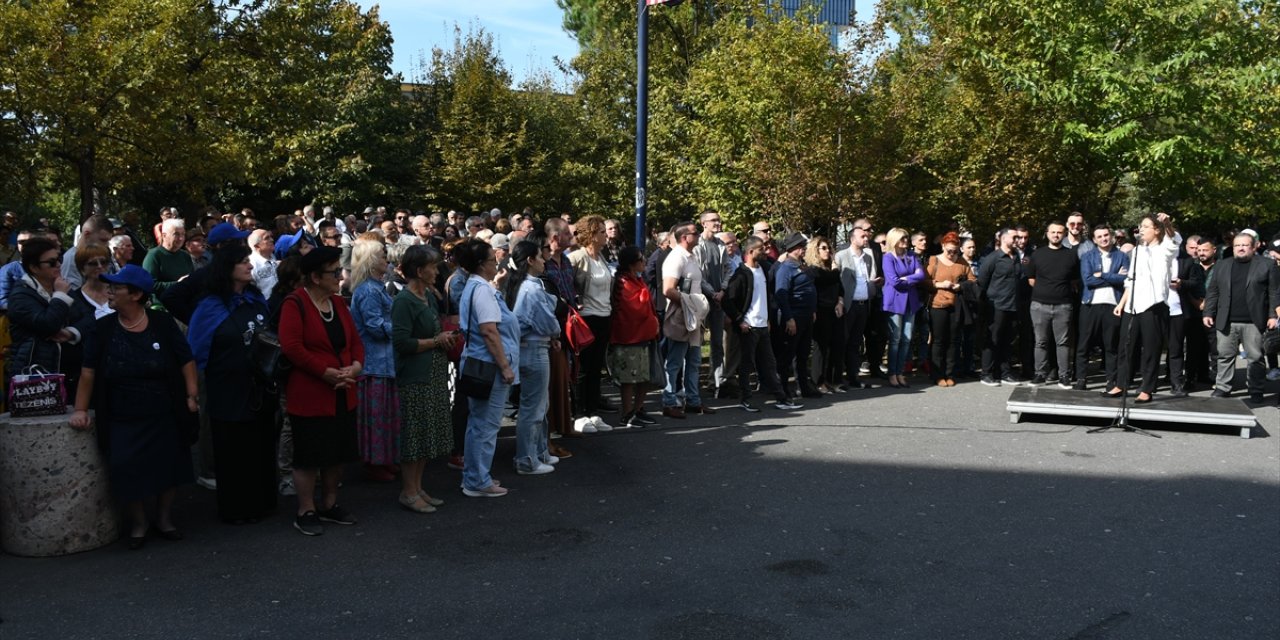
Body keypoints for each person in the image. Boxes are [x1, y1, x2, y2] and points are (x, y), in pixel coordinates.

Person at [69, 265, 198, 550]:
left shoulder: (162, 323)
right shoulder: (101, 328)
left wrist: (191, 394)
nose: (110, 291)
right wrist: (80, 409)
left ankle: (164, 519)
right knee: (126, 467)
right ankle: (139, 523)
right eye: (110, 287)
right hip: (121, 414)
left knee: (169, 466)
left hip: (164, 409)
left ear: (137, 294)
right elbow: (88, 372)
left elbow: (185, 359)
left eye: (116, 287)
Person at [186, 243, 277, 525]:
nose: (250, 266)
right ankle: (237, 507)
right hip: (226, 390)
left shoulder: (255, 299)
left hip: (258, 388)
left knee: (261, 444)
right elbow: (195, 352)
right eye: (242, 262)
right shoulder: (209, 308)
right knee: (233, 448)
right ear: (227, 268)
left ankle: (264, 502)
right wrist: (192, 394)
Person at [279, 246, 364, 535]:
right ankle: (306, 509)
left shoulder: (338, 303)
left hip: (344, 390)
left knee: (337, 452)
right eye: (334, 272)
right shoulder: (295, 303)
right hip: (311, 392)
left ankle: (329, 504)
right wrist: (324, 372)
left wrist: (354, 367)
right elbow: (292, 347)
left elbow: (355, 341)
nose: (340, 277)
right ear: (315, 277)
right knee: (309, 454)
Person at [391, 245, 457, 513]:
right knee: (414, 436)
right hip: (415, 377)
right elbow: (401, 342)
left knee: (427, 434)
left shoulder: (428, 296)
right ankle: (408, 492)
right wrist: (435, 341)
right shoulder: (403, 301)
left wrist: (445, 339)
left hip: (433, 373)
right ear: (419, 270)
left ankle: (417, 488)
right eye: (432, 266)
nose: (436, 271)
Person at [456, 239, 519, 497]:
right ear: (482, 265)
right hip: (488, 367)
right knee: (485, 425)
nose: (497, 264)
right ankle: (477, 480)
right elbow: (489, 331)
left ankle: (476, 475)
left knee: (479, 424)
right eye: (493, 260)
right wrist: (504, 366)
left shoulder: (478, 287)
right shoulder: (481, 290)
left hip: (480, 364)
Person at [6, 236, 93, 402]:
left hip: (69, 375)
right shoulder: (20, 296)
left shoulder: (60, 286)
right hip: (34, 379)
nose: (59, 265)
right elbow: (48, 324)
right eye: (52, 262)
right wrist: (60, 296)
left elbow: (89, 318)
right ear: (34, 267)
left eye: (59, 259)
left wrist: (71, 333)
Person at [1104, 214, 1181, 403]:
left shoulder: (1164, 249)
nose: (1142, 229)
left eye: (1146, 226)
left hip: (1153, 306)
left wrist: (1167, 224)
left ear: (1156, 230)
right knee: (1126, 347)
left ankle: (1147, 388)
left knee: (1151, 349)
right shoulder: (1138, 250)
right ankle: (1121, 383)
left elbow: (1174, 241)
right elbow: (1131, 279)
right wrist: (1121, 304)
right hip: (1133, 306)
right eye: (1141, 226)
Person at [723, 236, 802, 412]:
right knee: (746, 364)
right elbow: (727, 300)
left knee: (769, 363)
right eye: (761, 249)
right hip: (748, 327)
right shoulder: (741, 274)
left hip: (762, 326)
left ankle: (781, 398)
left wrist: (767, 319)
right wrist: (739, 320)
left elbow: (765, 297)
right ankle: (745, 399)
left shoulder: (762, 271)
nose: (766, 251)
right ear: (750, 252)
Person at [505, 241, 562, 471]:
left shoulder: (521, 285)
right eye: (540, 256)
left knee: (539, 404)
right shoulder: (532, 288)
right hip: (534, 349)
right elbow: (549, 322)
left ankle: (539, 452)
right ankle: (527, 459)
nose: (544, 260)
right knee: (533, 407)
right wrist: (556, 331)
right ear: (529, 260)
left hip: (531, 347)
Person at [348, 235, 401, 484]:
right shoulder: (369, 290)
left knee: (386, 415)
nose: (386, 258)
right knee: (376, 418)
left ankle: (385, 458)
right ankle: (374, 461)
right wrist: (402, 328)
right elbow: (375, 327)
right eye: (381, 255)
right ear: (370, 260)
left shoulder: (376, 286)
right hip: (374, 363)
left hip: (384, 362)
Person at [1204, 232, 1280, 403]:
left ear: (1254, 247)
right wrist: (1208, 312)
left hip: (1254, 321)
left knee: (1255, 357)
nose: (1241, 248)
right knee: (1224, 355)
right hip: (1226, 320)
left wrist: (1273, 316)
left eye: (1245, 245)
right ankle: (1223, 387)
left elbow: (1274, 292)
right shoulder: (1222, 265)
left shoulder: (1267, 264)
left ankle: (1256, 389)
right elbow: (1213, 291)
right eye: (1238, 245)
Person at [661, 222, 713, 418]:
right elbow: (668, 289)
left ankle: (693, 401)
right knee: (675, 361)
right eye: (695, 232)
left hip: (693, 316)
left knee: (694, 361)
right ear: (684, 237)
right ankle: (668, 402)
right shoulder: (676, 258)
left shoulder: (691, 257)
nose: (699, 235)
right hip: (681, 316)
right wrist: (689, 302)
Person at [568, 215, 616, 419]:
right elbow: (566, 284)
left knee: (597, 367)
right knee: (584, 368)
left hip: (604, 316)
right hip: (586, 318)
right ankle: (580, 413)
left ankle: (593, 410)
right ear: (592, 235)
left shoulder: (602, 257)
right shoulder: (577, 257)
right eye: (603, 232)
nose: (607, 235)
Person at [609, 246, 660, 428]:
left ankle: (638, 409)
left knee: (644, 376)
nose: (644, 262)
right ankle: (627, 413)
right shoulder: (623, 282)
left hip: (644, 335)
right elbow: (633, 308)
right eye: (640, 259)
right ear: (632, 263)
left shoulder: (637, 280)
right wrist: (645, 296)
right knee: (629, 377)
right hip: (628, 337)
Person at [1026, 221, 1081, 387]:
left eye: (1059, 232)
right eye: (1053, 232)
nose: (1056, 235)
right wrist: (1046, 290)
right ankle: (1040, 374)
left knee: (1063, 343)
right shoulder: (1037, 254)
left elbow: (1074, 280)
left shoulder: (1071, 255)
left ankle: (1064, 376)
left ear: (1064, 234)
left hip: (1063, 306)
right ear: (1047, 233)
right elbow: (1031, 279)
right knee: (1040, 341)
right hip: (1039, 305)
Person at [1074, 225, 1129, 391]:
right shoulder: (1087, 256)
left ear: (1110, 236)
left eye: (1106, 235)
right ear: (1094, 239)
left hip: (1113, 305)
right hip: (1091, 305)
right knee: (1084, 343)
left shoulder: (1122, 256)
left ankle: (1111, 381)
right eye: (1099, 236)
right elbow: (1088, 280)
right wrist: (1114, 277)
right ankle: (1081, 379)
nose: (1104, 239)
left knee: (1111, 345)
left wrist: (1103, 275)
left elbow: (1125, 279)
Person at [773, 232, 820, 398]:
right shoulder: (785, 268)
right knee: (787, 354)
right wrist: (789, 318)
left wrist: (812, 310)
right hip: (794, 315)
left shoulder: (801, 266)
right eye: (804, 248)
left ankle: (803, 386)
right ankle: (783, 388)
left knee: (803, 353)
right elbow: (781, 294)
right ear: (797, 249)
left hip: (806, 316)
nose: (805, 251)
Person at [925, 232, 974, 387]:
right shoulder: (934, 260)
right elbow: (924, 281)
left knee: (954, 341)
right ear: (943, 246)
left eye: (955, 251)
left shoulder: (962, 263)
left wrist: (961, 286)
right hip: (937, 305)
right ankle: (937, 374)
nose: (952, 254)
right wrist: (940, 285)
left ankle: (949, 373)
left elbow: (972, 281)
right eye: (949, 251)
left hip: (956, 306)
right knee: (938, 341)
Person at [979, 228, 1025, 387]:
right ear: (1004, 238)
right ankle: (986, 373)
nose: (1018, 239)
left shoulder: (1016, 257)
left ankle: (1004, 373)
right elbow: (982, 281)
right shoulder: (993, 258)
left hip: (1013, 305)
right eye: (1014, 237)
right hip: (996, 305)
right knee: (993, 339)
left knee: (1008, 341)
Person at [881, 227, 925, 388]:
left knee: (907, 339)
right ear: (894, 240)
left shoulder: (911, 256)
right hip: (894, 302)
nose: (905, 241)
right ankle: (892, 373)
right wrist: (911, 278)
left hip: (910, 302)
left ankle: (900, 372)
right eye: (902, 238)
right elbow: (894, 281)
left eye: (906, 237)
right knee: (895, 339)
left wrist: (906, 278)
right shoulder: (888, 258)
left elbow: (921, 275)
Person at [693, 210, 729, 398]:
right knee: (696, 342)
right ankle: (692, 384)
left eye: (718, 219)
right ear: (704, 223)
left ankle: (716, 383)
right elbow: (698, 273)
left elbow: (728, 269)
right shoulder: (698, 245)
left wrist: (722, 290)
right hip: (701, 299)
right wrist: (711, 292)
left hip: (718, 299)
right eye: (713, 220)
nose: (718, 222)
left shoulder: (720, 244)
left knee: (717, 342)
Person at [806, 236, 845, 393]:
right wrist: (836, 269)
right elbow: (827, 279)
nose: (828, 251)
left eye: (829, 247)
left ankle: (833, 380)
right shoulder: (813, 270)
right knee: (820, 348)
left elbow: (840, 287)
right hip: (820, 311)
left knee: (836, 345)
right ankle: (818, 382)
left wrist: (840, 302)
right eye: (824, 248)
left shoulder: (831, 269)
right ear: (815, 250)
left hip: (834, 309)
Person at [142, 219, 193, 296]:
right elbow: (148, 284)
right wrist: (177, 284)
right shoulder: (154, 255)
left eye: (183, 234)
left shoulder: (185, 255)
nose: (181, 238)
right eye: (176, 234)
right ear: (164, 235)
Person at [70, 244, 115, 320]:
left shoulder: (118, 292)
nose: (100, 266)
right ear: (82, 269)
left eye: (103, 262)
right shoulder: (75, 299)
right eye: (93, 263)